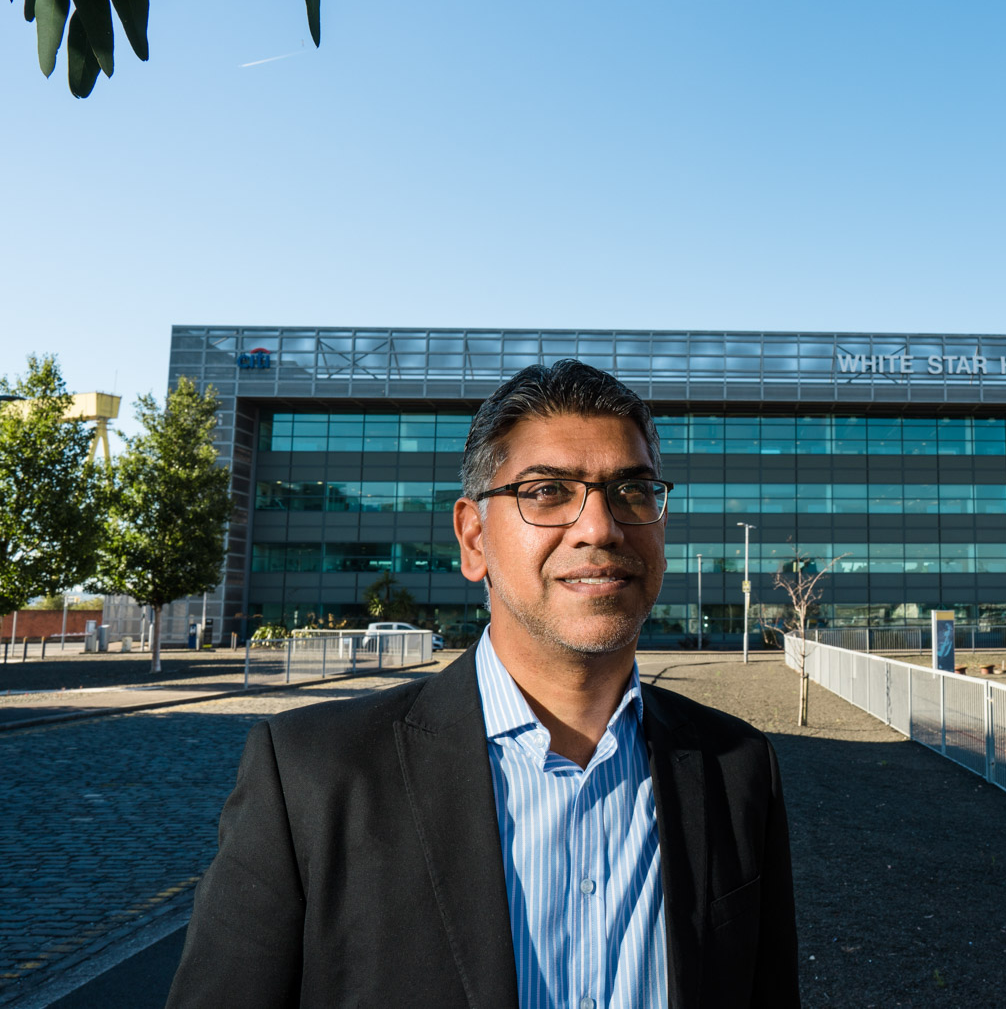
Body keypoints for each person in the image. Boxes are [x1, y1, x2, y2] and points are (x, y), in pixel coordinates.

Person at [167, 360, 800, 1009]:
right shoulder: (310, 776)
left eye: (632, 491)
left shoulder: (739, 770)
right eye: (548, 490)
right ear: (474, 538)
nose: (600, 526)